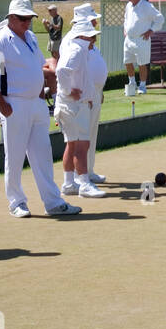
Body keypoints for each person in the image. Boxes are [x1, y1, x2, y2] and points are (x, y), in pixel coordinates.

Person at [0, 0, 81, 218]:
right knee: (15, 156)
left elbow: (39, 65)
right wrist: (2, 104)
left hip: (36, 103)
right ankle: (16, 202)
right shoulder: (0, 41)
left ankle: (53, 202)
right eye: (24, 18)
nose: (28, 22)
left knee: (42, 154)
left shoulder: (32, 38)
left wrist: (51, 70)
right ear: (12, 18)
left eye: (30, 18)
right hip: (14, 104)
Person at [56, 20, 105, 197]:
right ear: (82, 36)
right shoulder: (76, 50)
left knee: (72, 144)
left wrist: (89, 96)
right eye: (91, 36)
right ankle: (84, 184)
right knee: (81, 144)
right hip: (73, 106)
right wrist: (69, 91)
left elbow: (81, 77)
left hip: (76, 104)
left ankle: (69, 184)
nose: (93, 39)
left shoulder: (79, 49)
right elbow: (61, 71)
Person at [72, 3, 109, 184]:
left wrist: (99, 90)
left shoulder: (90, 40)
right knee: (80, 137)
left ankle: (89, 170)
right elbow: (68, 71)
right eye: (92, 19)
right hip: (81, 96)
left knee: (91, 134)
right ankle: (78, 176)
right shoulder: (71, 41)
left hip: (94, 93)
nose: (95, 22)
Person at [122, 0, 163, 95]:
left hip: (141, 39)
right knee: (127, 62)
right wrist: (125, 30)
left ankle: (142, 86)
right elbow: (126, 19)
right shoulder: (128, 6)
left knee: (142, 63)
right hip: (129, 39)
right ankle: (132, 83)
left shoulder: (147, 6)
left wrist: (151, 30)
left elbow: (160, 19)